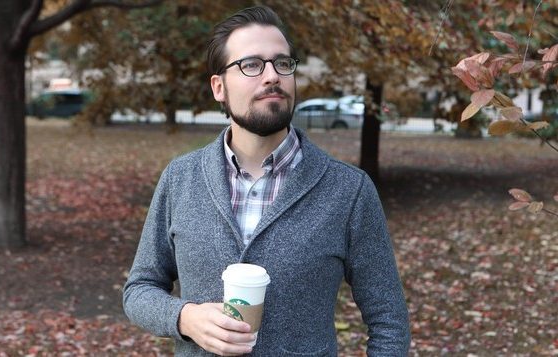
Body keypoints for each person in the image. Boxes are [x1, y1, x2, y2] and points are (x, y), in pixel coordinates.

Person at [123, 5, 410, 356]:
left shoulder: (348, 190)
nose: (272, 76)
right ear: (219, 87)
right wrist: (185, 317)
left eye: (282, 63)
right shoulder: (181, 179)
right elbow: (140, 289)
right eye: (251, 65)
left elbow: (388, 320)